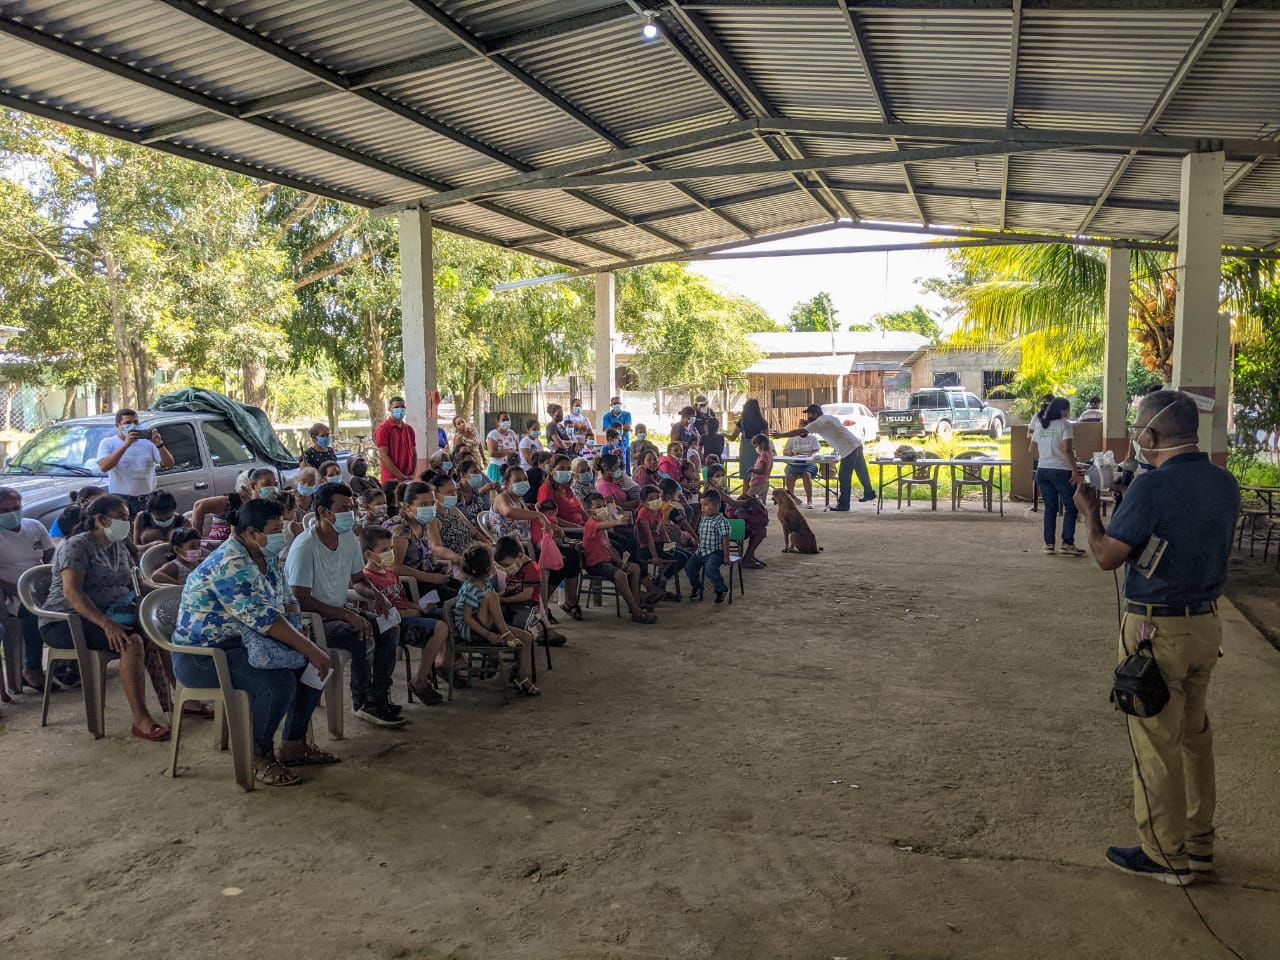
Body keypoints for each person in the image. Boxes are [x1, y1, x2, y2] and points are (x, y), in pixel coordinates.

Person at [1073, 390, 1239, 886]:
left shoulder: (1151, 489)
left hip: (1156, 630)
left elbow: (1108, 556)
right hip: (1205, 624)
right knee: (1194, 736)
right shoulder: (1224, 482)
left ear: (1149, 435)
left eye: (1139, 431)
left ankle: (1165, 853)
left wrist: (1090, 514)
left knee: (1155, 741)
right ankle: (1199, 843)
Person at [172, 498, 336, 786]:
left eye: (281, 527)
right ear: (250, 532)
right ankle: (258, 755)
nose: (281, 534)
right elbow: (266, 619)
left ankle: (294, 743)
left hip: (248, 642)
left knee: (314, 667)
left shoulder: (264, 555)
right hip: (204, 655)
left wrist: (302, 636)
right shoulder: (231, 564)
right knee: (277, 682)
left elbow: (287, 600)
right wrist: (307, 647)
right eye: (274, 530)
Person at [39, 495, 171, 741]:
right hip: (67, 620)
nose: (126, 523)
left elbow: (138, 583)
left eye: (128, 518)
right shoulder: (77, 546)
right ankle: (141, 719)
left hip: (112, 613)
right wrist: (106, 624)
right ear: (100, 520)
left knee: (161, 627)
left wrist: (172, 592)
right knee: (131, 642)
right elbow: (72, 594)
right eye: (120, 518)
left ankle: (180, 701)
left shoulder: (118, 545)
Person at [284, 482, 405, 727]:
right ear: (323, 512)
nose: (349, 514)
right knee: (361, 633)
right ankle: (362, 702)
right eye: (342, 509)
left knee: (389, 627)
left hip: (337, 612)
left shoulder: (348, 538)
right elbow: (301, 599)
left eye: (351, 507)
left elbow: (358, 580)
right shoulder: (305, 547)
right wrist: (346, 615)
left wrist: (376, 596)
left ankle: (379, 696)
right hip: (310, 621)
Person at [359, 526, 447, 705]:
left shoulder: (391, 573)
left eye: (391, 549)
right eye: (384, 550)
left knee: (446, 615)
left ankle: (442, 664)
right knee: (440, 628)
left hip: (407, 615)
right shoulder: (367, 579)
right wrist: (413, 612)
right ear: (369, 554)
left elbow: (402, 600)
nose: (390, 554)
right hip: (393, 625)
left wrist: (420, 607)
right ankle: (419, 681)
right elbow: (381, 614)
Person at [454, 544, 539, 696]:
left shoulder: (486, 584)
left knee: (527, 638)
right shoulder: (470, 589)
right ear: (487, 568)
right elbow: (467, 619)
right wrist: (488, 634)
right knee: (492, 597)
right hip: (474, 631)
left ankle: (522, 677)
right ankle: (506, 634)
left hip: (488, 624)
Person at [0, 486, 55, 694]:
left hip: (39, 585)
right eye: (5, 510)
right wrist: (11, 587)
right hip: (10, 593)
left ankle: (65, 665)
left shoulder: (34, 526)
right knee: (34, 613)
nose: (12, 514)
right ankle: (32, 668)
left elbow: (49, 550)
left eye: (16, 508)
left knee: (68, 606)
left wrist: (43, 576)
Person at [773, 405, 874, 511]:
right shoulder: (829, 418)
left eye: (809, 414)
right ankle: (869, 492)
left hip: (848, 448)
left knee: (844, 477)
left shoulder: (818, 423)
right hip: (856, 443)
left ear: (815, 414)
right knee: (861, 470)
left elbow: (799, 432)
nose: (808, 417)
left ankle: (844, 504)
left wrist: (781, 435)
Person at [580, 493, 658, 623]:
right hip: (596, 564)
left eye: (604, 506)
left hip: (607, 561)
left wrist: (619, 561)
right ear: (589, 511)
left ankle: (636, 602)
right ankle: (636, 611)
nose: (603, 509)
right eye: (598, 507)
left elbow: (608, 547)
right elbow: (603, 525)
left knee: (635, 568)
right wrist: (618, 521)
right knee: (620, 575)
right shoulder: (592, 524)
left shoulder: (602, 525)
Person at [95, 408, 175, 515]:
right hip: (122, 499)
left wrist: (159, 444)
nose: (132, 426)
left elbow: (169, 463)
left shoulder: (147, 442)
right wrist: (126, 445)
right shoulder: (108, 443)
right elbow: (104, 467)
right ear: (118, 425)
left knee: (147, 525)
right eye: (127, 423)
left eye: (135, 422)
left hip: (148, 498)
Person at [1029, 397, 1082, 556]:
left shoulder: (1040, 425)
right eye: (1067, 410)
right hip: (1061, 471)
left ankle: (1049, 544)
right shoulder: (1065, 425)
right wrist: (1075, 470)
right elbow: (1067, 450)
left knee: (1050, 508)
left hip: (1042, 470)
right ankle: (1067, 543)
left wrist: (1046, 457)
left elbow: (1031, 450)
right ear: (1062, 410)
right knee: (1071, 506)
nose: (1068, 413)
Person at [705, 464, 769, 569]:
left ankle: (750, 556)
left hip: (721, 523)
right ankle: (747, 558)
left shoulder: (713, 488)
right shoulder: (714, 491)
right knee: (760, 530)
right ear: (710, 479)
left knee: (755, 524)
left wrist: (743, 498)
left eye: (723, 475)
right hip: (721, 527)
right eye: (717, 476)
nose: (721, 478)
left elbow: (730, 504)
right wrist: (750, 501)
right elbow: (733, 503)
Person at [191, 468, 281, 541]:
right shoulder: (235, 500)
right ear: (253, 485)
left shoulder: (271, 505)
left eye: (275, 485)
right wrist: (196, 540)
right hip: (222, 543)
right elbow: (199, 506)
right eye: (267, 484)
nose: (272, 488)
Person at [685, 489, 731, 604]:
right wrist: (696, 541)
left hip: (715, 552)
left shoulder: (721, 521)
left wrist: (726, 556)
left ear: (716, 506)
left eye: (706, 505)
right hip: (701, 551)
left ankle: (721, 588)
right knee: (689, 567)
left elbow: (725, 539)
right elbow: (702, 534)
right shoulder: (704, 518)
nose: (702, 508)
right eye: (702, 506)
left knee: (710, 569)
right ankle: (697, 587)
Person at [374, 397, 417, 507]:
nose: (400, 409)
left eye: (402, 407)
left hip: (408, 479)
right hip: (391, 481)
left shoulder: (409, 429)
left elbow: (414, 452)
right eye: (396, 407)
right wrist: (400, 476)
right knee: (393, 509)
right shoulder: (383, 429)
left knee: (408, 508)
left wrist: (413, 473)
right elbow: (383, 456)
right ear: (390, 409)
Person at [729, 399, 769, 487]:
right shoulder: (763, 422)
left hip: (745, 453)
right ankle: (758, 495)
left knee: (746, 478)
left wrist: (724, 435)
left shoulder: (742, 422)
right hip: (759, 453)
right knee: (759, 477)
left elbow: (733, 437)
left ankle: (745, 494)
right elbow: (766, 439)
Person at [783, 429, 822, 507]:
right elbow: (785, 452)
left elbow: (817, 451)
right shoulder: (792, 437)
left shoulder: (813, 438)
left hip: (809, 463)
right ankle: (792, 498)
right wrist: (790, 453)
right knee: (789, 476)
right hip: (794, 463)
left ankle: (809, 501)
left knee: (806, 475)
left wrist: (808, 454)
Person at [485, 412, 520, 482]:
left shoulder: (512, 433)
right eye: (503, 420)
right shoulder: (493, 434)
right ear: (498, 422)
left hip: (512, 468)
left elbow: (517, 449)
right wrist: (509, 452)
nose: (506, 422)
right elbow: (492, 453)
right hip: (498, 468)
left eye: (508, 419)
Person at [601, 397, 633, 469]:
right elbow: (607, 430)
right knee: (612, 465)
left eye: (618, 403)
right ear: (611, 405)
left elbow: (628, 427)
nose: (617, 405)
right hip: (612, 444)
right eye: (615, 403)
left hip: (625, 444)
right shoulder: (607, 416)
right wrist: (622, 428)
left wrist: (614, 428)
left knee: (625, 465)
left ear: (621, 404)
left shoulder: (627, 414)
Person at [746, 434, 774, 500]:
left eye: (756, 446)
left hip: (758, 482)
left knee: (748, 499)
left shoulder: (763, 454)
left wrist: (751, 469)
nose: (756, 448)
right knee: (762, 503)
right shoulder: (770, 454)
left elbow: (762, 470)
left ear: (762, 444)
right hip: (765, 482)